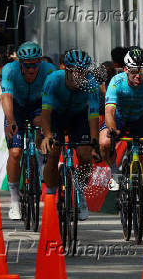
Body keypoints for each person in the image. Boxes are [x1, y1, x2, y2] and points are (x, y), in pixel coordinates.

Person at [99, 46, 143, 218]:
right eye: (135, 71)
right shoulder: (116, 82)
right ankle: (114, 170)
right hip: (118, 119)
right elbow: (109, 112)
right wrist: (112, 129)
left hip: (138, 120)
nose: (139, 75)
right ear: (126, 69)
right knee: (104, 142)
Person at [40, 49, 100, 221]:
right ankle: (51, 198)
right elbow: (45, 113)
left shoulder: (91, 84)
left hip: (78, 116)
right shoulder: (53, 80)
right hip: (56, 116)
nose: (78, 75)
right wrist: (47, 135)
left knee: (84, 155)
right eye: (74, 71)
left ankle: (80, 196)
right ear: (65, 69)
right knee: (53, 154)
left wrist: (94, 142)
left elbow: (93, 115)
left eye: (82, 71)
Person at [0, 42, 56, 220]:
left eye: (34, 64)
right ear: (20, 63)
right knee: (15, 153)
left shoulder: (49, 70)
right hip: (15, 106)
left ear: (40, 61)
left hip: (38, 106)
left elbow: (55, 97)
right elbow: (6, 96)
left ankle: (38, 164)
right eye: (27, 65)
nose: (31, 69)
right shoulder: (10, 69)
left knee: (42, 130)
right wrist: (10, 121)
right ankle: (15, 200)